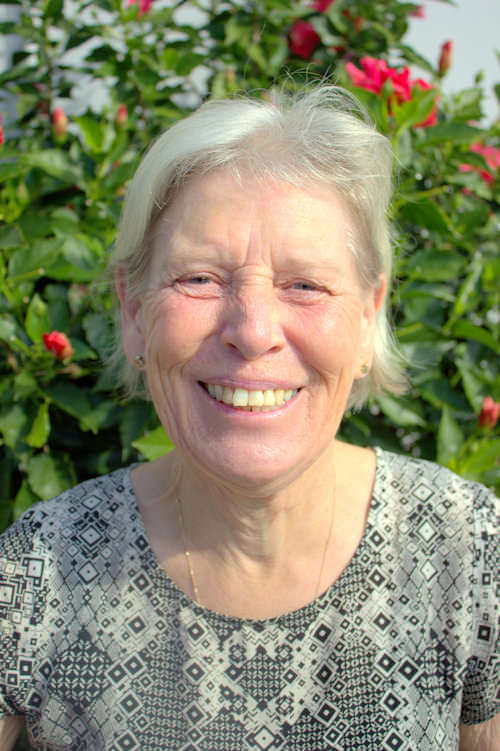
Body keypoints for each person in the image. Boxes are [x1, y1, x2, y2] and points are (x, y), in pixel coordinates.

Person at [0, 85, 498, 751]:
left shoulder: (469, 554)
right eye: (200, 278)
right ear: (133, 312)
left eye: (305, 284)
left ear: (368, 316)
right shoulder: (37, 573)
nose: (254, 330)